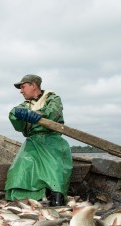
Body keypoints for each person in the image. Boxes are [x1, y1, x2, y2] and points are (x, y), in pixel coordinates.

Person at [5, 74, 72, 206]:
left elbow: (53, 113)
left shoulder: (52, 98)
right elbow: (15, 116)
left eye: (23, 87)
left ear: (33, 85)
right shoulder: (25, 105)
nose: (21, 90)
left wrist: (37, 115)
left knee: (54, 169)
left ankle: (56, 198)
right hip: (32, 142)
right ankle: (26, 200)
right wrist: (16, 114)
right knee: (21, 168)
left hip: (52, 141)